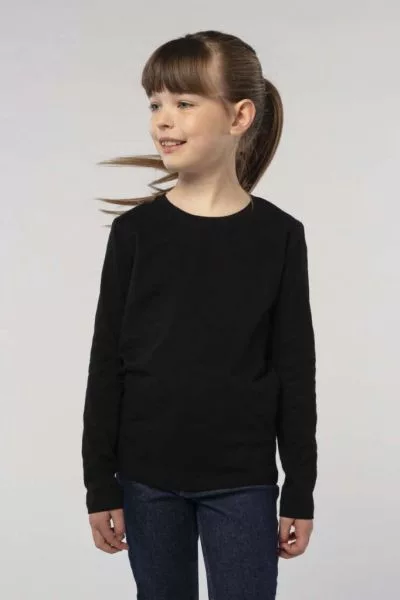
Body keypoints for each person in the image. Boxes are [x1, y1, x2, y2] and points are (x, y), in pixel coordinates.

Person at [81, 30, 318, 599]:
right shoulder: (135, 234)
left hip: (242, 481)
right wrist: (99, 484)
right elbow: (106, 363)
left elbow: (294, 370)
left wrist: (300, 490)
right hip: (145, 480)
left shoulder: (279, 237)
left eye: (184, 102)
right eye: (155, 104)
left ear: (240, 116)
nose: (163, 120)